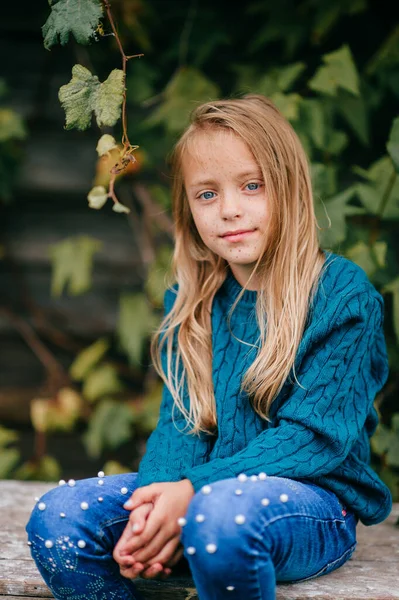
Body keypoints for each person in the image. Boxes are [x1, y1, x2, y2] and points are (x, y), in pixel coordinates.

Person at [26, 94, 392, 600]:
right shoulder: (191, 301)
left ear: (289, 188)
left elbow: (314, 439)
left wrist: (194, 492)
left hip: (312, 506)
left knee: (219, 518)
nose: (230, 210)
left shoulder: (341, 296)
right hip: (202, 494)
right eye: (206, 195)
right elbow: (181, 427)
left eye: (251, 185)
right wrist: (155, 511)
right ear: (188, 209)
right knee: (60, 518)